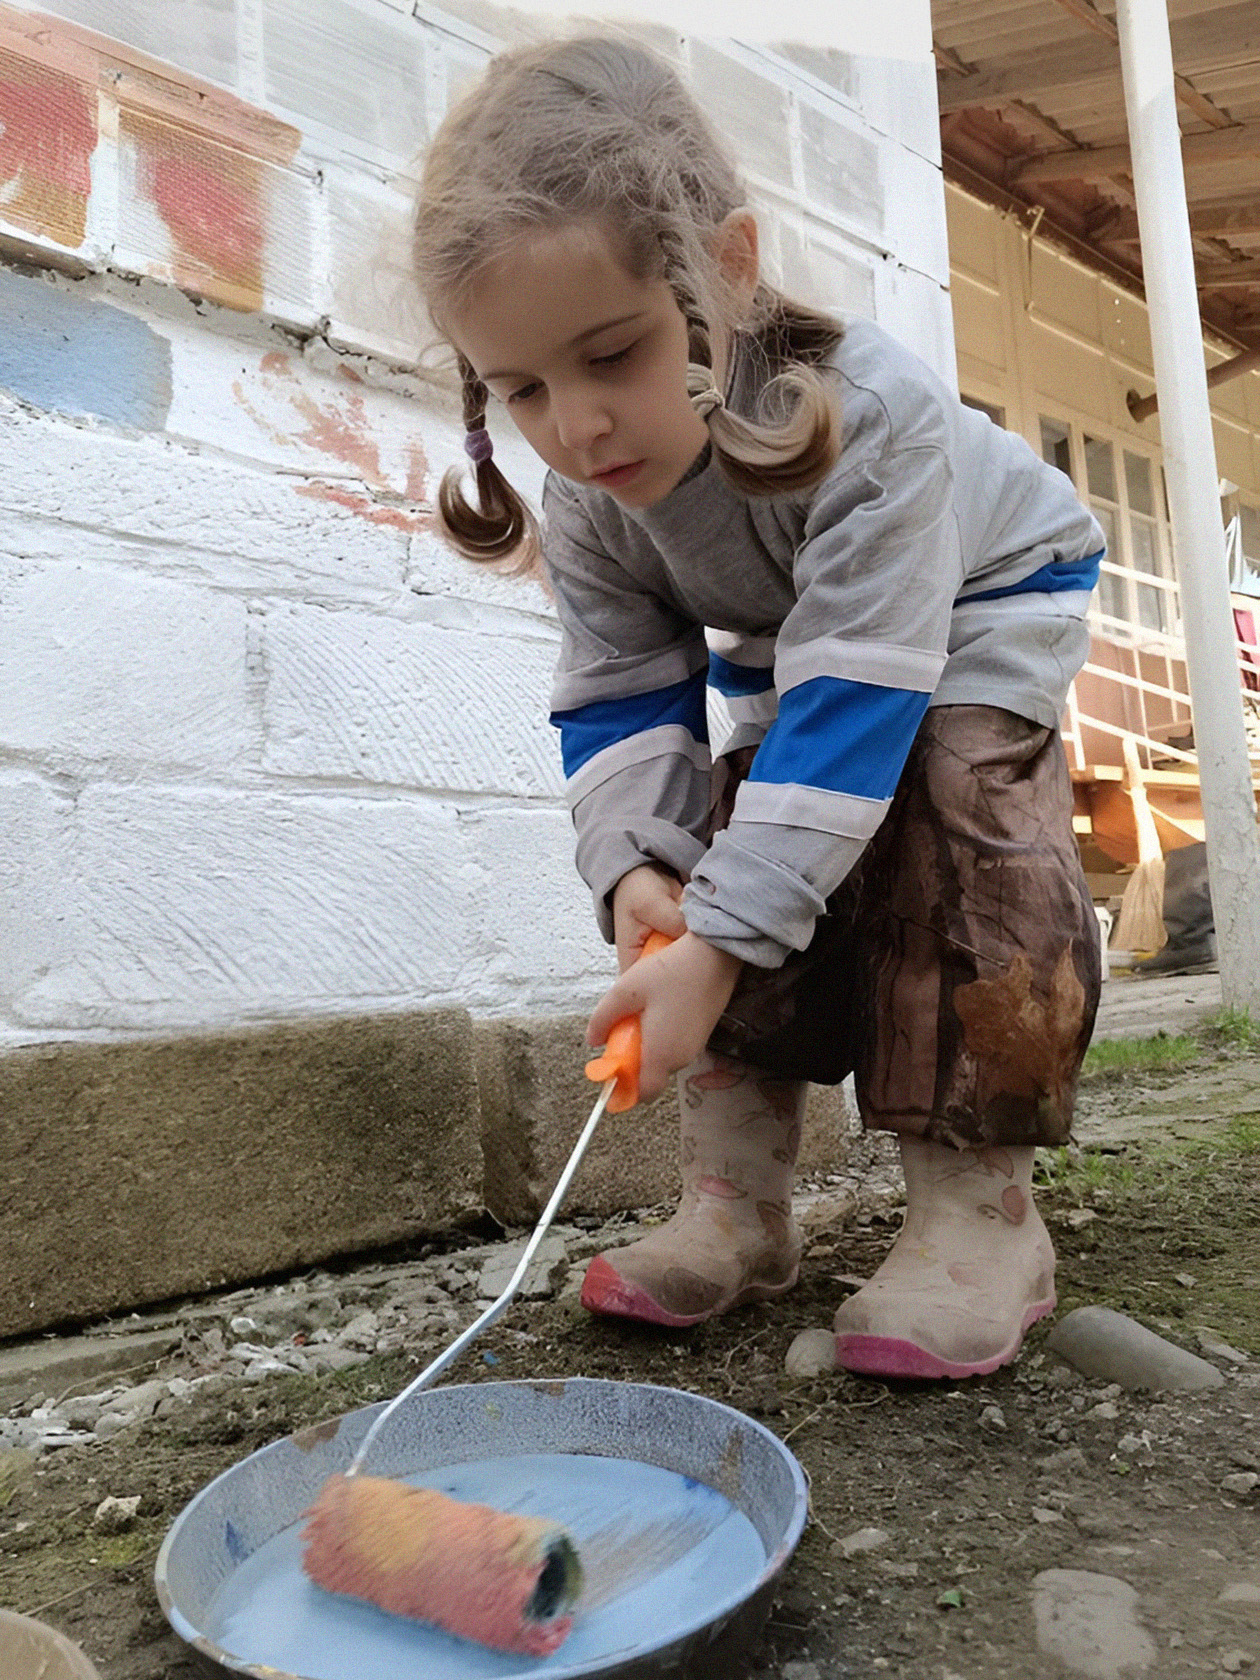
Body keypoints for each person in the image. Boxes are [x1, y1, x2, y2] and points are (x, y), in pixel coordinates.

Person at [412, 33, 1104, 1380]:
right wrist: (644, 885)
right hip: (816, 626)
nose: (578, 427)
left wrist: (720, 942)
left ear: (723, 269)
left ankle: (984, 1215)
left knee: (955, 809)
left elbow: (860, 701)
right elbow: (619, 699)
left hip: (983, 592)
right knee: (737, 831)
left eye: (612, 353)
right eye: (522, 388)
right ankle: (735, 1205)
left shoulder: (871, 418)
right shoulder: (591, 499)